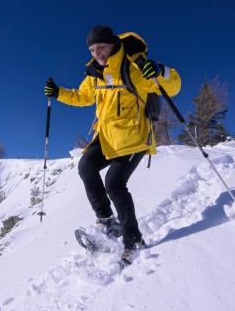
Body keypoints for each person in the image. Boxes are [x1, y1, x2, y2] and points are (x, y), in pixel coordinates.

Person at [44, 25, 181, 264]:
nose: (96, 53)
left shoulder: (134, 67)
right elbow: (82, 96)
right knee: (86, 167)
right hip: (108, 137)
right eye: (92, 49)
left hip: (134, 138)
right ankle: (108, 223)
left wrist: (159, 71)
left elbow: (174, 85)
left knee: (114, 183)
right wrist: (58, 93)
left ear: (113, 44)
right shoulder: (95, 73)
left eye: (101, 47)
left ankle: (134, 240)